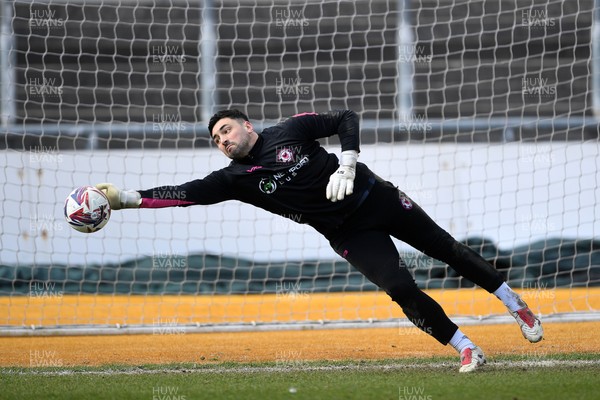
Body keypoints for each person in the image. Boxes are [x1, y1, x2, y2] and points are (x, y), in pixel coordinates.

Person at [97, 109, 543, 372]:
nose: (222, 141)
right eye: (216, 140)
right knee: (400, 287)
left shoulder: (290, 130)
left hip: (376, 196)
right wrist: (123, 199)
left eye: (226, 131)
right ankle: (465, 347)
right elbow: (183, 195)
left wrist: (347, 163)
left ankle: (512, 301)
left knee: (448, 250)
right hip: (349, 233)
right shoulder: (233, 179)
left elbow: (345, 118)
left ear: (247, 126)